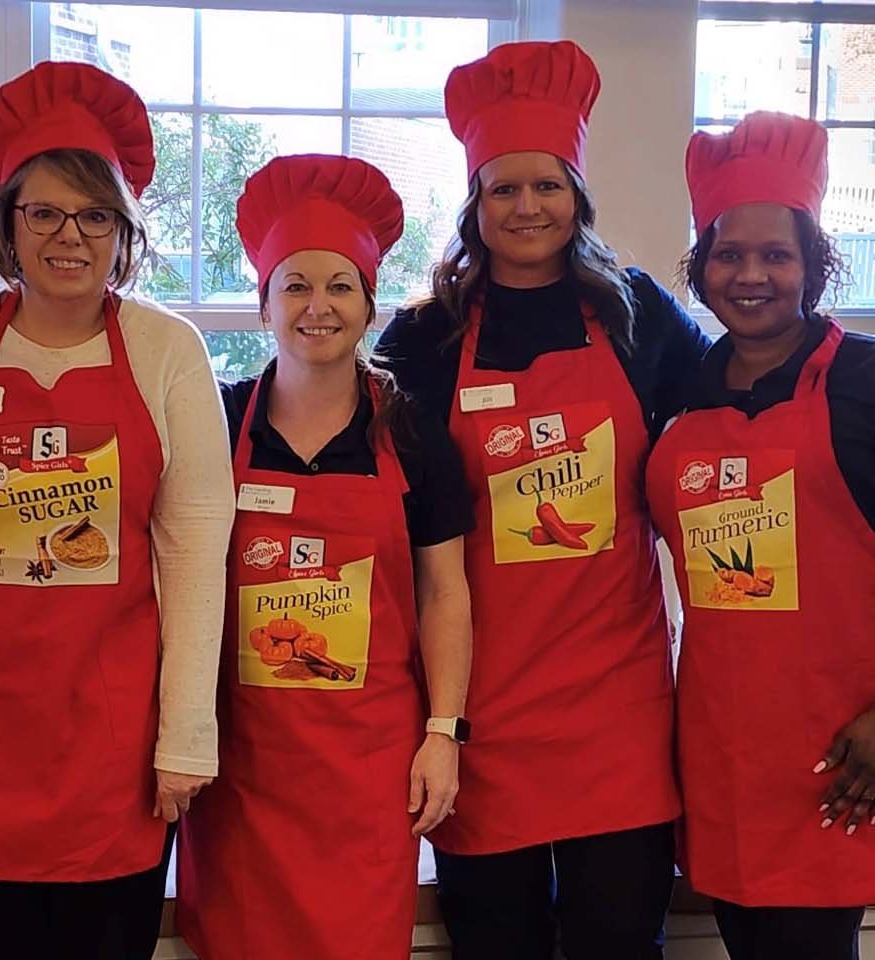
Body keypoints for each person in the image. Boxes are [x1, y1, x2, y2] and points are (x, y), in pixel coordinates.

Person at [374, 40, 709, 960]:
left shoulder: (640, 314)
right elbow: (375, 505)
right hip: (480, 707)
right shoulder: (425, 339)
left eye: (547, 186)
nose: (526, 208)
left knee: (617, 938)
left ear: (578, 196)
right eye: (503, 189)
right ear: (474, 206)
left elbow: (731, 438)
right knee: (495, 942)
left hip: (619, 704)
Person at [0, 61, 234, 960]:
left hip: (108, 744)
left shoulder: (169, 350)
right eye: (42, 211)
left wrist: (186, 736)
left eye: (94, 215)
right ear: (7, 223)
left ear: (125, 231)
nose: (68, 236)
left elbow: (198, 553)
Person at [175, 153, 474, 960]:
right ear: (264, 302)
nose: (318, 307)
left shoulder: (413, 436)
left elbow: (445, 591)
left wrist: (443, 732)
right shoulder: (217, 424)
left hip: (368, 768)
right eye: (295, 285)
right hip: (242, 767)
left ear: (369, 305)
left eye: (339, 286)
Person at [645, 110, 875, 960]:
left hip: (839, 752)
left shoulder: (863, 382)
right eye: (728, 255)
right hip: (721, 746)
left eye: (776, 255)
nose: (750, 276)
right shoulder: (682, 397)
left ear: (814, 265)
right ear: (700, 268)